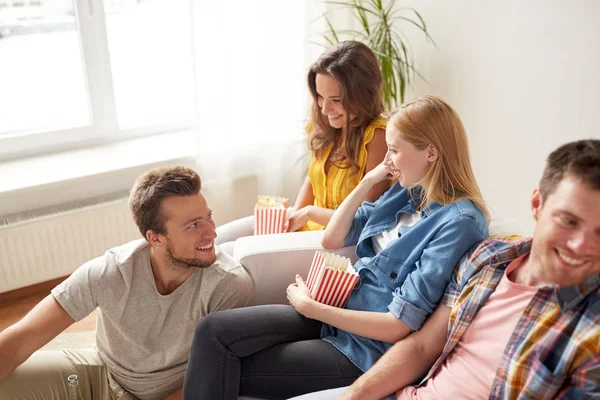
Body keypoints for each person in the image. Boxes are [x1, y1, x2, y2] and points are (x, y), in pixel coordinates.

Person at [182, 95, 490, 400]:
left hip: (363, 349)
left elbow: (398, 325)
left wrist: (311, 308)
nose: (389, 160)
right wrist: (368, 180)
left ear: (431, 153)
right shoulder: (409, 191)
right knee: (211, 331)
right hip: (337, 309)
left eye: (395, 150)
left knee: (226, 366)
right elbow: (332, 237)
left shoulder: (460, 222)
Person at [294, 139, 600, 400]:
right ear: (537, 204)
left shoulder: (591, 334)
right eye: (568, 221)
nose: (581, 245)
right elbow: (422, 347)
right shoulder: (489, 258)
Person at [0, 166, 254, 400]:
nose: (212, 232)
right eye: (193, 225)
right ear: (155, 238)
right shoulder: (110, 273)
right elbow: (22, 338)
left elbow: (216, 376)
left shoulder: (228, 284)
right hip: (99, 374)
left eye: (208, 217)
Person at [215, 40, 390, 245]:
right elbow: (313, 180)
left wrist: (308, 213)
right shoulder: (328, 127)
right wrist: (293, 220)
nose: (325, 109)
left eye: (335, 99)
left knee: (241, 253)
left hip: (336, 241)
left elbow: (363, 219)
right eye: (320, 96)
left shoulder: (379, 137)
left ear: (363, 94)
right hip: (307, 226)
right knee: (222, 241)